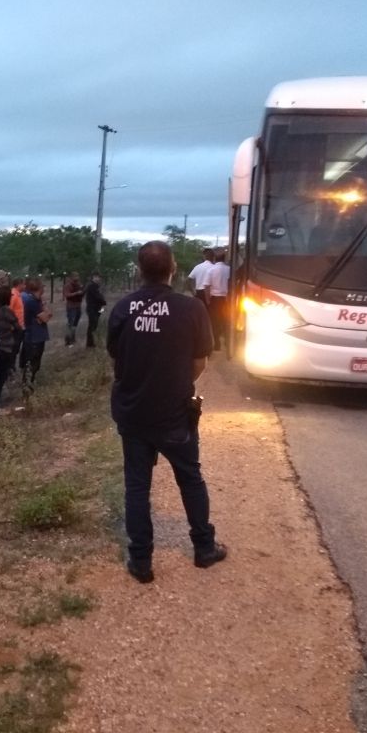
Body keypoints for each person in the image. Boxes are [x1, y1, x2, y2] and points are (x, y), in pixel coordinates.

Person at [106, 241, 228, 583]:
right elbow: (200, 361)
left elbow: (117, 357)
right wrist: (174, 384)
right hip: (175, 413)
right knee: (190, 477)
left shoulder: (123, 309)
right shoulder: (191, 309)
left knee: (137, 485)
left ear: (139, 269)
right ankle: (204, 548)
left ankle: (141, 561)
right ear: (173, 268)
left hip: (133, 412)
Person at [0, 285, 20, 415]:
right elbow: (17, 327)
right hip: (6, 347)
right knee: (0, 379)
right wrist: (12, 329)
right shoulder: (7, 311)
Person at [21, 279, 51, 387]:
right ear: (38, 288)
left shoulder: (37, 301)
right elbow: (45, 318)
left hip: (39, 336)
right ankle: (27, 385)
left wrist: (44, 311)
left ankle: (30, 383)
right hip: (33, 337)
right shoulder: (31, 302)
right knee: (32, 362)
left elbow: (47, 315)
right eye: (42, 287)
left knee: (37, 362)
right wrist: (44, 314)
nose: (44, 289)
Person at [207, 249, 230, 352]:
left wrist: (208, 300)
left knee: (215, 321)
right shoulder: (229, 269)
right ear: (225, 259)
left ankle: (217, 344)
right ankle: (228, 342)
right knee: (226, 319)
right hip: (227, 299)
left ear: (215, 259)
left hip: (215, 299)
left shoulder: (211, 270)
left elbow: (207, 286)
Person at [83, 272, 107, 348]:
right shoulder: (91, 286)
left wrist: (103, 304)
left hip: (98, 308)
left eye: (99, 277)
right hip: (92, 309)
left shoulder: (97, 286)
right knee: (92, 325)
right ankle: (90, 343)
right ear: (93, 278)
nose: (98, 278)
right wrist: (104, 302)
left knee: (95, 325)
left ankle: (92, 342)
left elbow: (101, 296)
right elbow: (97, 297)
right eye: (96, 277)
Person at [63, 272, 84, 347]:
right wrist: (76, 293)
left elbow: (82, 293)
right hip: (71, 307)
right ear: (71, 277)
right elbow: (67, 295)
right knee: (70, 323)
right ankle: (68, 340)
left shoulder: (79, 285)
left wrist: (82, 292)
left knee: (75, 324)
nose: (77, 278)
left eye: (77, 276)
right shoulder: (68, 285)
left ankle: (73, 338)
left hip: (78, 306)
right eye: (75, 276)